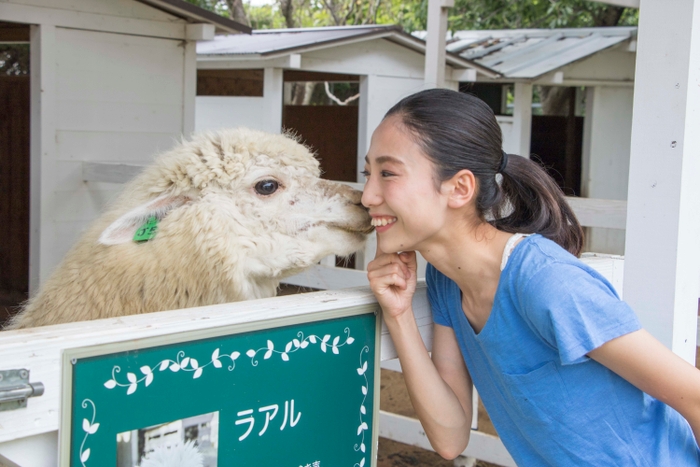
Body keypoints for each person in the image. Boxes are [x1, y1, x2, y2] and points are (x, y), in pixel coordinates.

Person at [362, 88, 700, 465]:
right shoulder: (447, 282)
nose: (367, 195)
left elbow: (695, 398)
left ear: (459, 188)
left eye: (387, 173)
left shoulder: (545, 281)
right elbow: (450, 437)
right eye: (368, 173)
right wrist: (399, 314)